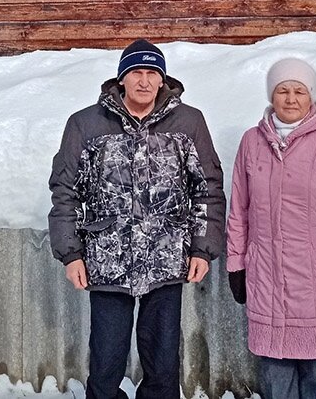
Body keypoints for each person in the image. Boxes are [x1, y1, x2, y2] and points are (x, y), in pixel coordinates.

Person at [48, 39, 226, 399]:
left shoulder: (189, 122)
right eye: (136, 72)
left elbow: (207, 187)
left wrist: (202, 249)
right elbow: (65, 190)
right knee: (106, 363)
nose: (144, 81)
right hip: (107, 260)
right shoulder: (86, 124)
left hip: (166, 259)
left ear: (162, 79)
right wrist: (71, 254)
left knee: (163, 366)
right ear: (121, 79)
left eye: (151, 73)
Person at [226, 57, 316, 399]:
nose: (291, 99)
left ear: (311, 96)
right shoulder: (251, 142)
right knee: (275, 380)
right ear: (271, 96)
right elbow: (238, 211)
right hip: (266, 282)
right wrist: (236, 264)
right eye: (282, 90)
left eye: (299, 91)